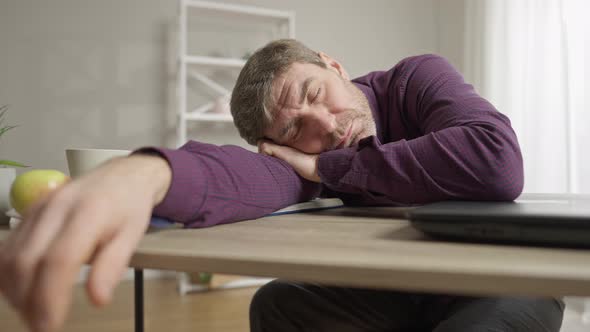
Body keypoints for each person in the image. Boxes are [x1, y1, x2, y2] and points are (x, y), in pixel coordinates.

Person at [0, 39, 563, 332]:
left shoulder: (417, 78)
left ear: (333, 66)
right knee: (278, 308)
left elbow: (495, 162)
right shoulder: (304, 156)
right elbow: (249, 175)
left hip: (495, 283)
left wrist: (326, 170)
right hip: (400, 291)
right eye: (294, 130)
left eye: (316, 94)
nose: (323, 126)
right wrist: (149, 172)